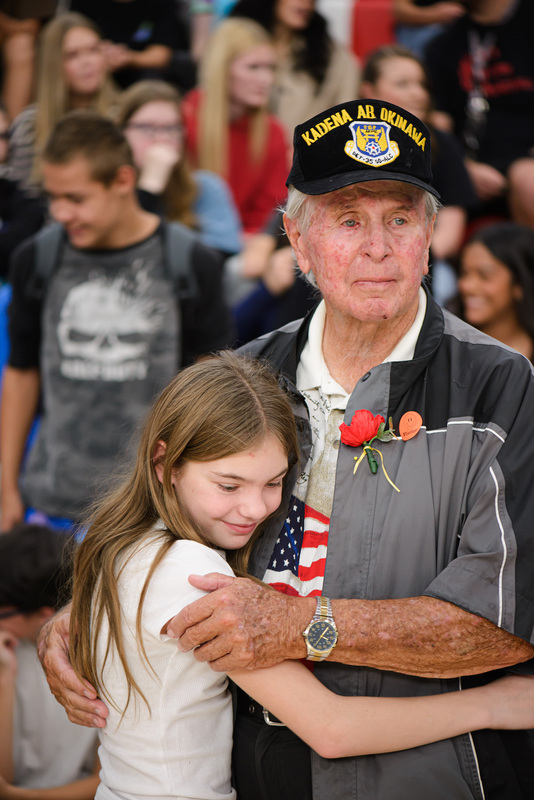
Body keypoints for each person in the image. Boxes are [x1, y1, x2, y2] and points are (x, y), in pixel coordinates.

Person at [39, 98, 534, 800]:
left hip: (433, 777)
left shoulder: (502, 387)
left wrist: (307, 626)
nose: (378, 247)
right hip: (256, 773)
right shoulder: (245, 375)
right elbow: (166, 534)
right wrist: (85, 618)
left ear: (429, 237)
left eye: (400, 220)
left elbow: (506, 624)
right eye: (348, 220)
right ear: (298, 241)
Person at [69, 351, 534, 800]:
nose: (255, 508)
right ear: (163, 464)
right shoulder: (190, 571)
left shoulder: (122, 545)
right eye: (229, 485)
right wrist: (494, 704)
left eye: (274, 483)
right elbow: (331, 729)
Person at [0, 110, 233, 534]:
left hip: (151, 508)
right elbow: (20, 372)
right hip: (51, 503)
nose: (60, 212)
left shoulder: (189, 262)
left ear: (123, 181)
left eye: (76, 198)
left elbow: (209, 386)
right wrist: (6, 488)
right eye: (53, 197)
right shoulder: (36, 259)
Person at [359, 43, 477, 304]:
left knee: (442, 286)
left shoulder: (442, 144)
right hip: (353, 253)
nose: (419, 93)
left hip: (423, 258)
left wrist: (409, 256)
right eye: (403, 84)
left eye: (422, 84)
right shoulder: (344, 141)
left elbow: (451, 227)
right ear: (369, 91)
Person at [0, 523, 99, 796]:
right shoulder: (10, 652)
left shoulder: (98, 660)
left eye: (2, 614)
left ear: (45, 615)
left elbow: (108, 777)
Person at [424, 0, 534, 228]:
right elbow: (440, 123)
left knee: (527, 179)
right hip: (474, 172)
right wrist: (462, 168)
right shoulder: (443, 45)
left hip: (527, 163)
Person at [182, 17, 289, 235]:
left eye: (270, 68)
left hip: (249, 245)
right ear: (222, 69)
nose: (267, 79)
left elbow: (270, 211)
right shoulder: (184, 119)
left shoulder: (273, 132)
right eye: (253, 67)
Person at [115, 79, 243, 257]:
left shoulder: (204, 188)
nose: (161, 139)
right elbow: (120, 252)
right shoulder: (105, 191)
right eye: (146, 128)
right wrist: (149, 189)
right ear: (122, 132)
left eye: (171, 129)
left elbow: (222, 259)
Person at [3, 12, 117, 197]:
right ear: (53, 65)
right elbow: (21, 200)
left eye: (94, 50)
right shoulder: (30, 125)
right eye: (73, 55)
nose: (87, 62)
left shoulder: (125, 114)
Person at [228, 0, 360, 135]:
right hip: (245, 143)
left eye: (312, 1)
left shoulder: (332, 54)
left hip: (309, 147)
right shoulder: (238, 40)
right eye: (254, 67)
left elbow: (348, 110)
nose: (306, 4)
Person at [458, 221, 534, 360]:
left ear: (519, 283)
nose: (467, 286)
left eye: (485, 276)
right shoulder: (448, 346)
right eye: (464, 273)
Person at [68, 0, 180, 90]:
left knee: (152, 78)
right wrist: (97, 51)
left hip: (139, 78)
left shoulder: (160, 3)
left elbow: (161, 57)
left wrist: (128, 57)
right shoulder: (84, 3)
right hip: (99, 70)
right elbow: (72, 39)